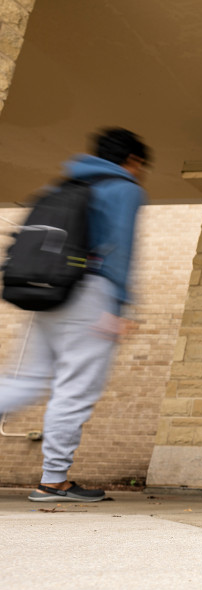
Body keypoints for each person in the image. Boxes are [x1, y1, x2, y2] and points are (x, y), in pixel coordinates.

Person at [0, 128, 149, 502]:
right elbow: (119, 247)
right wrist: (118, 305)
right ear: (132, 161)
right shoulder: (125, 188)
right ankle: (53, 481)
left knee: (27, 382)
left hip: (50, 291)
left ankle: (55, 479)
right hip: (91, 294)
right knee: (75, 390)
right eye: (141, 165)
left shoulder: (68, 183)